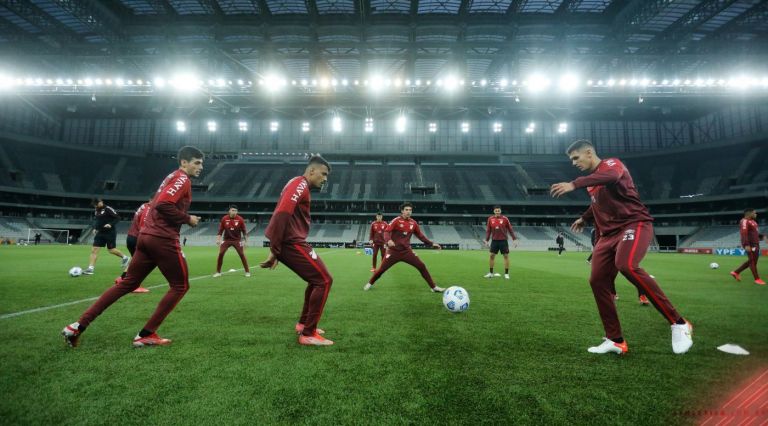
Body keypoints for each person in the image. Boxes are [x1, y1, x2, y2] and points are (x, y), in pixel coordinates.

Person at [550, 139, 692, 355]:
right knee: (597, 280)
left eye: (576, 158)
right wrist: (584, 218)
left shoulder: (612, 165)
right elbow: (597, 201)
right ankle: (615, 340)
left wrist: (574, 183)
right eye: (571, 160)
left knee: (626, 265)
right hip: (607, 235)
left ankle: (679, 323)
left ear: (589, 152)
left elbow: (612, 177)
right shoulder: (591, 183)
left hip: (634, 224)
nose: (573, 163)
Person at [62, 146, 204, 348]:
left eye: (201, 163)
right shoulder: (182, 179)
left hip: (145, 237)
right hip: (162, 238)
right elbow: (163, 204)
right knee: (180, 286)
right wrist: (187, 218)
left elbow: (157, 203)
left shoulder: (171, 177)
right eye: (196, 162)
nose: (201, 167)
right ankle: (146, 334)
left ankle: (77, 326)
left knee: (127, 283)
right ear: (183, 162)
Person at [260, 156, 335, 346]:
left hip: (292, 241)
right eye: (323, 174)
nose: (325, 178)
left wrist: (275, 250)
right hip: (291, 243)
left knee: (317, 279)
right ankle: (308, 334)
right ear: (311, 171)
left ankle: (303, 324)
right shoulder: (300, 185)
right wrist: (275, 249)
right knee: (324, 280)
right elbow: (282, 214)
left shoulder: (298, 184)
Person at [363, 202, 444, 293]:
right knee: (381, 270)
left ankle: (433, 287)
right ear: (402, 211)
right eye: (406, 210)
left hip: (407, 252)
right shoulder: (396, 220)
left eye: (410, 210)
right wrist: (389, 240)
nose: (408, 212)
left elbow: (420, 236)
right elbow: (386, 231)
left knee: (421, 266)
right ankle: (369, 283)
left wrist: (431, 244)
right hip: (393, 252)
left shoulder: (413, 223)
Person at [83, 198, 130, 275]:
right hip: (100, 232)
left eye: (96, 204)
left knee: (111, 250)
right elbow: (97, 220)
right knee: (94, 249)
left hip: (110, 232)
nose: (95, 206)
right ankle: (90, 269)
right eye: (94, 205)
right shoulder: (96, 210)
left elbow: (118, 218)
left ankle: (125, 257)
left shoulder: (108, 209)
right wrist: (95, 228)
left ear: (101, 202)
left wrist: (110, 224)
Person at [118, 199, 152, 293]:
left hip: (131, 236)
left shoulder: (143, 206)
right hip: (137, 237)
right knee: (140, 263)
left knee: (135, 260)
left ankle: (122, 278)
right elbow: (143, 225)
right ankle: (133, 286)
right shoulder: (149, 208)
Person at [729, 208, 765, 285]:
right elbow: (743, 233)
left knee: (752, 261)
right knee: (752, 262)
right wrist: (746, 244)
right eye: (754, 213)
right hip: (750, 244)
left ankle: (735, 272)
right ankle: (757, 279)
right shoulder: (744, 221)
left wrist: (763, 237)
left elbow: (755, 234)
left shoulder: (754, 222)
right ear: (749, 213)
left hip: (756, 244)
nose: (756, 214)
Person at [214, 205, 250, 278]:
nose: (234, 212)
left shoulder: (240, 219)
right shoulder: (224, 218)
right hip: (226, 240)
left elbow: (244, 232)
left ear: (237, 212)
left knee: (242, 254)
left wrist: (246, 242)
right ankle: (218, 272)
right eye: (232, 210)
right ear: (229, 211)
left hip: (237, 240)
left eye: (235, 211)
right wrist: (218, 240)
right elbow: (220, 231)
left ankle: (247, 272)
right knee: (221, 253)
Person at [483, 205, 518, 279]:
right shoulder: (490, 219)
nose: (497, 212)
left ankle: (506, 273)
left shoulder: (505, 219)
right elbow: (488, 231)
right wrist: (486, 240)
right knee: (491, 256)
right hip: (494, 241)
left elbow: (510, 229)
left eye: (498, 211)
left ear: (500, 211)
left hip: (503, 240)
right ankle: (491, 273)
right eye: (496, 211)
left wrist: (514, 239)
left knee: (506, 256)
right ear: (494, 211)